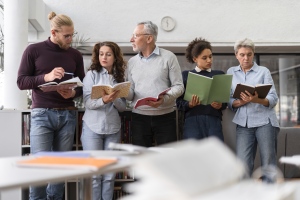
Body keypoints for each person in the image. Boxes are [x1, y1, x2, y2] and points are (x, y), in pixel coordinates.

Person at [17, 12, 85, 200]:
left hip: (67, 116)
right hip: (42, 115)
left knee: (59, 168)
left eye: (72, 34)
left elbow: (83, 86)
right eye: (67, 36)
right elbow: (21, 82)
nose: (71, 39)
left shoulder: (75, 55)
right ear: (54, 32)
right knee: (40, 166)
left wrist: (72, 93)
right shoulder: (34, 50)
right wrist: (46, 77)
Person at [227, 38, 280, 182]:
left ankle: (271, 195)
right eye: (242, 54)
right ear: (236, 55)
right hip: (243, 124)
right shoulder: (230, 72)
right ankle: (245, 195)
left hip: (265, 122)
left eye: (249, 54)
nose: (246, 58)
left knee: (268, 162)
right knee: (242, 163)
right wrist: (240, 101)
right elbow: (229, 100)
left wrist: (256, 99)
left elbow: (273, 98)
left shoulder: (263, 71)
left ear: (253, 54)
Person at [126, 21, 184, 147]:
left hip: (165, 117)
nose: (131, 39)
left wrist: (165, 99)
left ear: (149, 38)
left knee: (167, 158)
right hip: (139, 118)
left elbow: (179, 86)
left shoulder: (169, 57)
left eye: (135, 36)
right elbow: (131, 94)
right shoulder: (131, 62)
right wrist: (121, 92)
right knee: (140, 159)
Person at [81, 42, 127, 200]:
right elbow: (87, 103)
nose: (104, 57)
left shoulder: (120, 77)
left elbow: (122, 108)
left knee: (109, 176)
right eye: (101, 54)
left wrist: (114, 99)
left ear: (115, 57)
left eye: (108, 54)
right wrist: (104, 100)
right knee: (95, 175)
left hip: (113, 129)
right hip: (92, 129)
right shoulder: (91, 75)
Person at [176, 38, 227, 141]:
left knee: (215, 153)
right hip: (192, 121)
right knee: (193, 153)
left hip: (214, 120)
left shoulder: (219, 75)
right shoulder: (186, 75)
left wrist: (220, 105)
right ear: (195, 59)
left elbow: (225, 102)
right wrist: (189, 104)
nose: (209, 60)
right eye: (204, 58)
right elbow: (178, 102)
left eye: (210, 56)